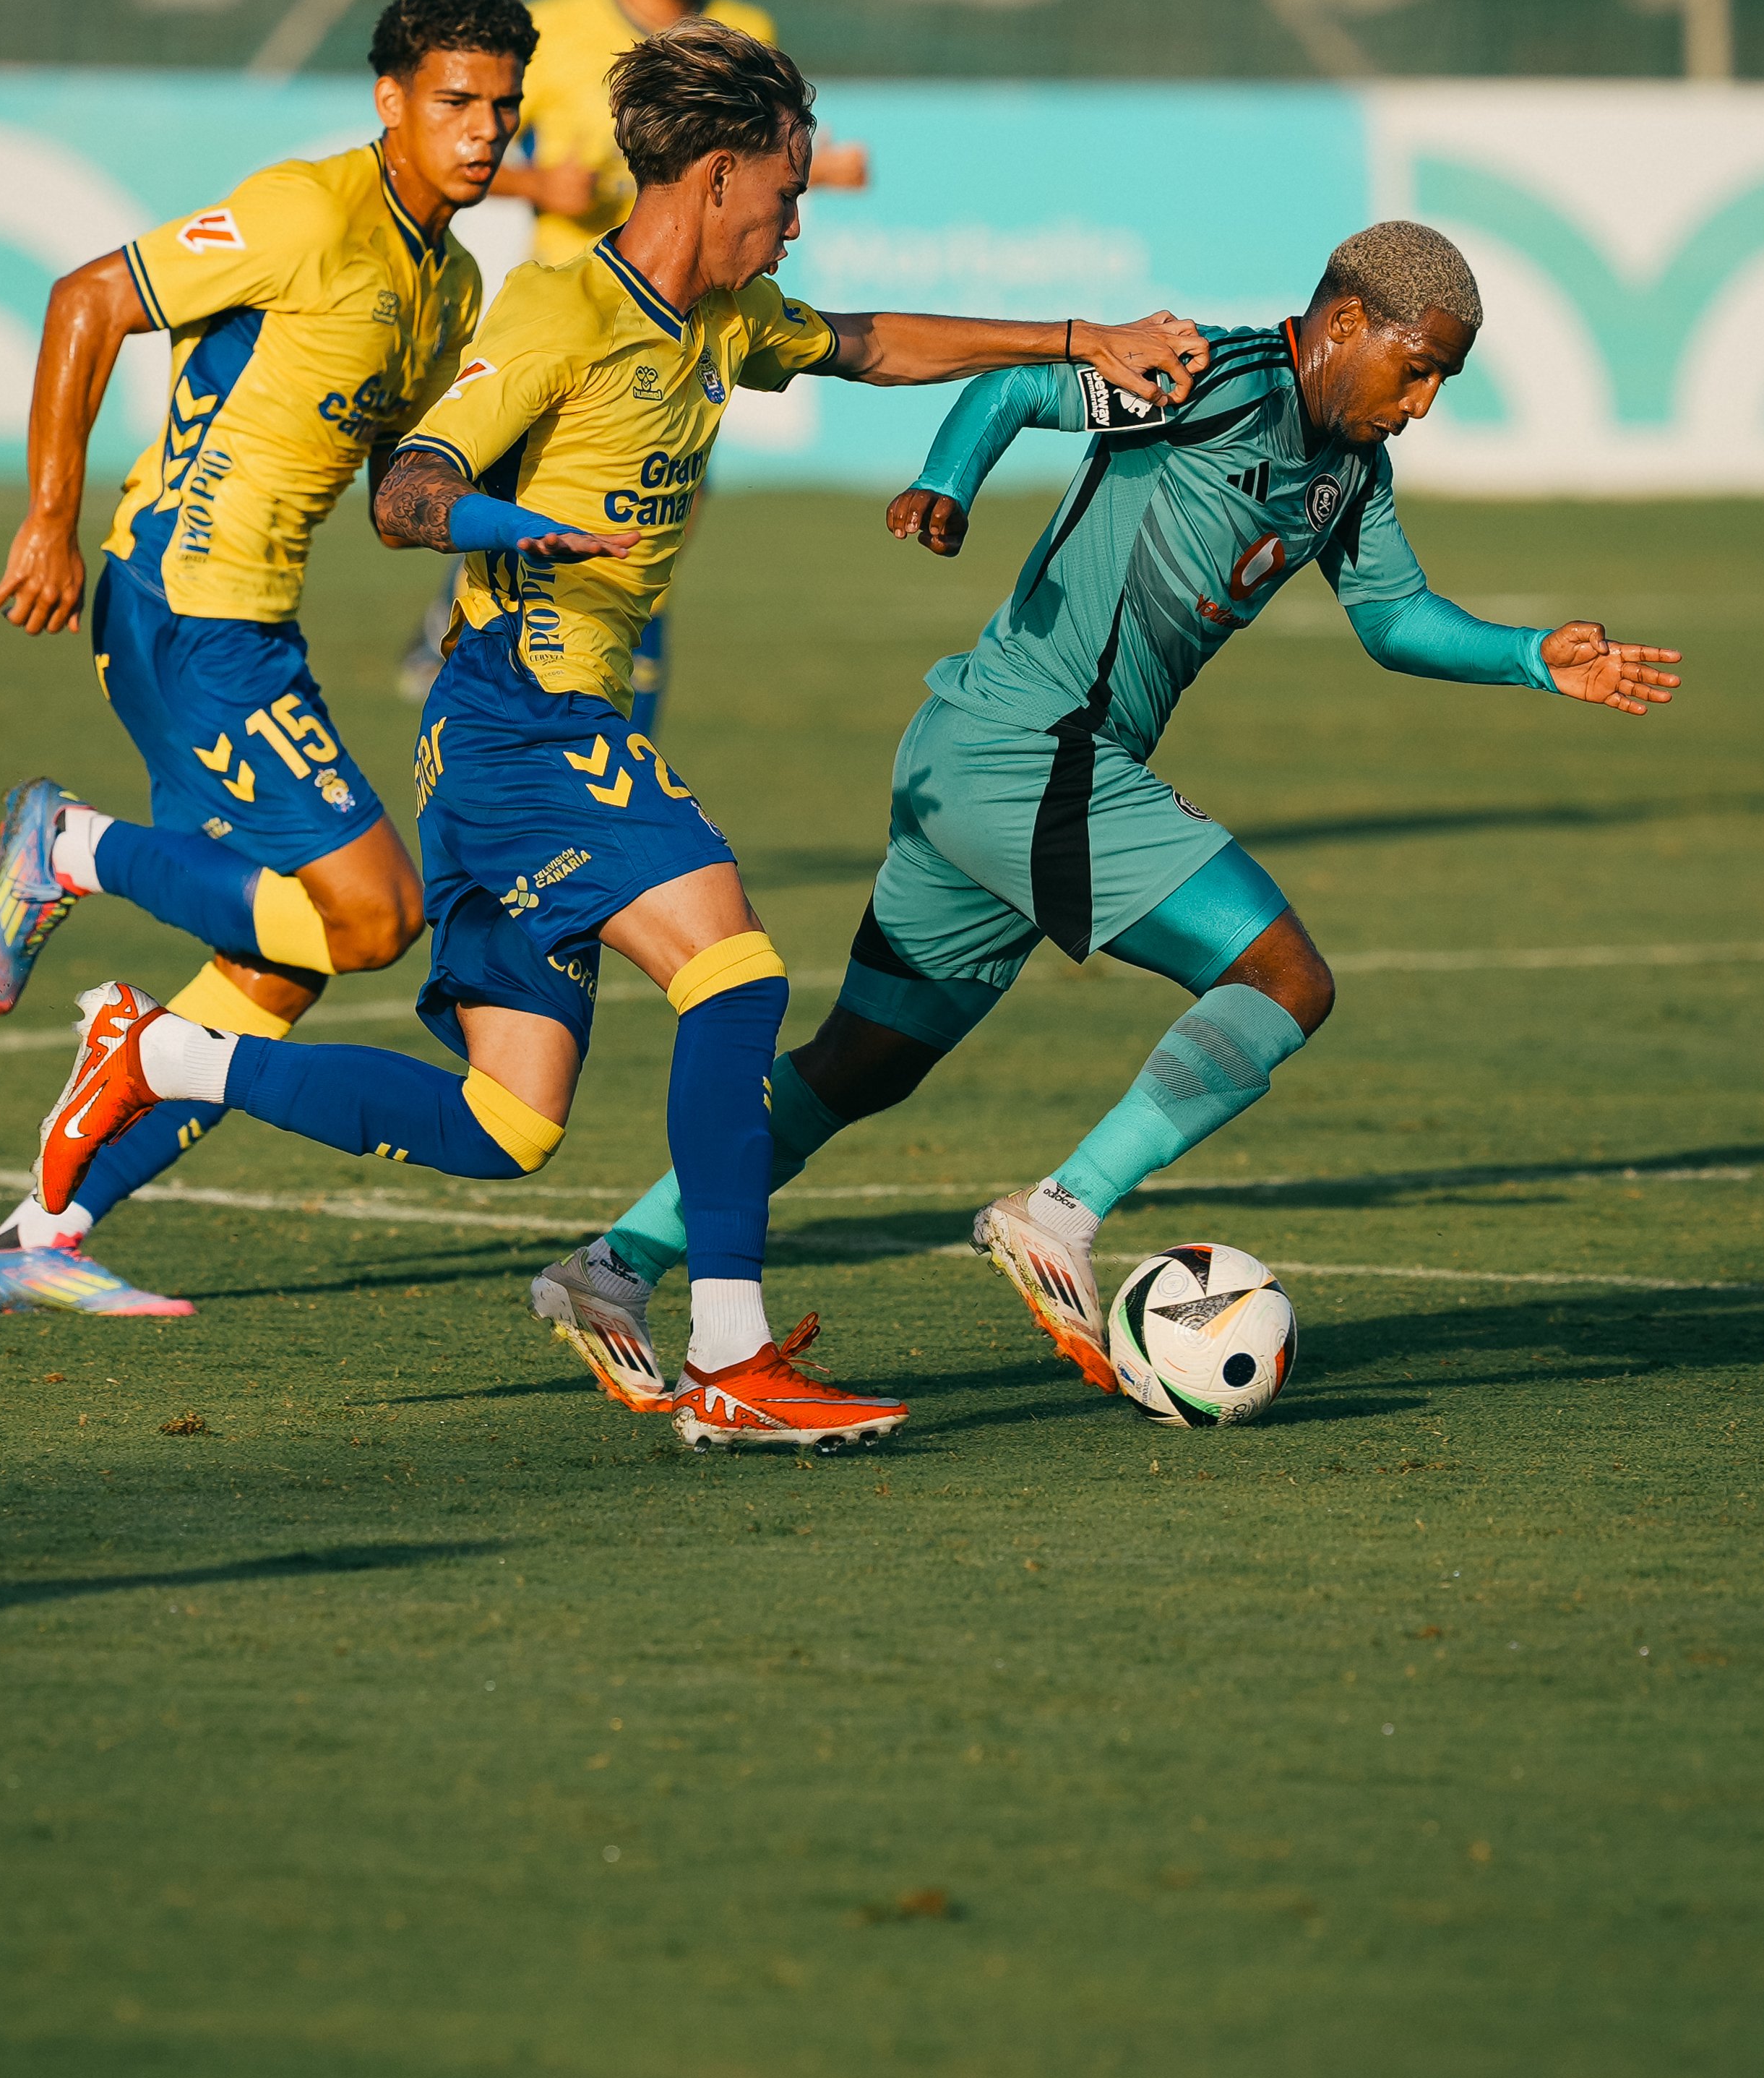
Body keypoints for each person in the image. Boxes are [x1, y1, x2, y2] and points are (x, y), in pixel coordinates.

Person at [28, 20, 1210, 1445]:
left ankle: (166, 1059)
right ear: (712, 179)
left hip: (524, 745)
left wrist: (1087, 340)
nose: (795, 214)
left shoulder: (715, 317)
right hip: (522, 724)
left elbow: (868, 341)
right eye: (783, 188)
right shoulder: (552, 312)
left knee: (506, 1124)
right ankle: (731, 1350)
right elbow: (403, 492)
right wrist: (511, 520)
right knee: (734, 966)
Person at [534, 221, 1683, 1404]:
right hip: (1032, 754)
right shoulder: (1214, 380)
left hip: (973, 763)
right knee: (1284, 979)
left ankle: (611, 1265)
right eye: (1416, 367)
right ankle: (1058, 1211)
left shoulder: (1351, 471)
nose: (1424, 401)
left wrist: (1533, 657)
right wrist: (946, 479)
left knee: (858, 1065)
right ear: (1343, 326)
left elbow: (1392, 619)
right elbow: (1024, 389)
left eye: (1442, 378)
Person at [0, 0, 538, 1317]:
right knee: (376, 915)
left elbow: (399, 502)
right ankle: (66, 846)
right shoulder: (304, 210)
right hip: (183, 612)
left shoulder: (444, 284)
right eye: (456, 101)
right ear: (391, 102)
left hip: (245, 628)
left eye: (502, 108)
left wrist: (508, 542)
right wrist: (48, 520)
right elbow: (85, 298)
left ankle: (39, 1230)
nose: (483, 132)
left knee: (276, 965)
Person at [396, 0, 868, 727]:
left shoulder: (746, 32)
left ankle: (607, 750)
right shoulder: (557, 29)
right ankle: (470, 654)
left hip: (682, 330)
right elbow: (454, 151)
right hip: (571, 329)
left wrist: (825, 171)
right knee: (530, 549)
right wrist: (536, 179)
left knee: (643, 555)